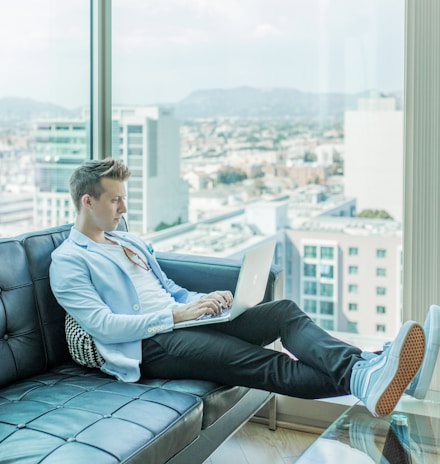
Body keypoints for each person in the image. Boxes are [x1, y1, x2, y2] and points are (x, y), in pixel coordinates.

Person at [50, 158, 434, 418]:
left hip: (183, 322)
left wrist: (202, 301)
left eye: (123, 198)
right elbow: (103, 325)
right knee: (262, 362)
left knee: (283, 312)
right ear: (87, 201)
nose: (123, 208)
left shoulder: (128, 242)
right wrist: (174, 315)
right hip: (148, 346)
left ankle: (372, 372)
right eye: (115, 199)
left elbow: (168, 287)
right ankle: (370, 374)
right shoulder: (69, 261)